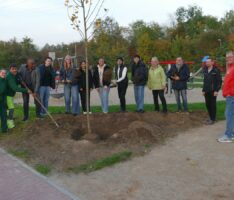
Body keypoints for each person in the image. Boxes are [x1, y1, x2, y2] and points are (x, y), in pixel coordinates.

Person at [6, 64, 29, 129]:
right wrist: (26, 90)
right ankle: (10, 124)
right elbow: (15, 88)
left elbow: (18, 81)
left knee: (8, 109)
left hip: (10, 95)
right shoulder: (9, 76)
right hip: (7, 95)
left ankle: (9, 118)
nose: (14, 70)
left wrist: (21, 82)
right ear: (10, 69)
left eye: (15, 69)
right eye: (13, 69)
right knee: (11, 109)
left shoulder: (15, 75)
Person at [218, 51, 234, 143]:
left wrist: (230, 93)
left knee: (228, 115)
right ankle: (231, 134)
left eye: (230, 57)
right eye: (227, 57)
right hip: (230, 96)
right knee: (231, 115)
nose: (228, 59)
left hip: (232, 96)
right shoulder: (230, 68)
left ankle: (228, 135)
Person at [202, 58, 222, 125]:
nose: (207, 63)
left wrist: (216, 90)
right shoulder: (205, 70)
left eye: (208, 62)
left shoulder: (216, 70)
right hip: (206, 91)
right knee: (207, 105)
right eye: (206, 62)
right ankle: (211, 117)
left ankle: (213, 119)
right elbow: (204, 81)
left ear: (212, 62)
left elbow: (219, 81)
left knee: (212, 105)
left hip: (213, 91)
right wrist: (203, 90)